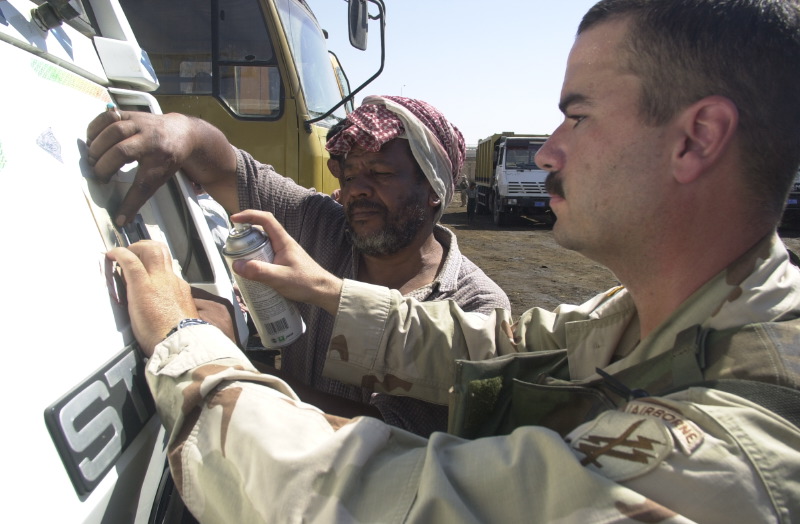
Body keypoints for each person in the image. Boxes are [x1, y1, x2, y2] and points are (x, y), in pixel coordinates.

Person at [107, 0, 800, 521]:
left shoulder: (729, 447)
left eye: (578, 116)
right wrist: (323, 288)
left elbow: (387, 499)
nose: (550, 153)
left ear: (698, 139)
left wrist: (188, 348)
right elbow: (496, 349)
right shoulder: (644, 319)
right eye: (348, 172)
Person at [88, 95, 510, 436]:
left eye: (380, 173)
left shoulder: (476, 307)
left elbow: (390, 438)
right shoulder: (320, 224)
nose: (355, 191)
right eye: (347, 175)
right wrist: (183, 130)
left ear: (434, 189)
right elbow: (225, 167)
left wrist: (225, 360)